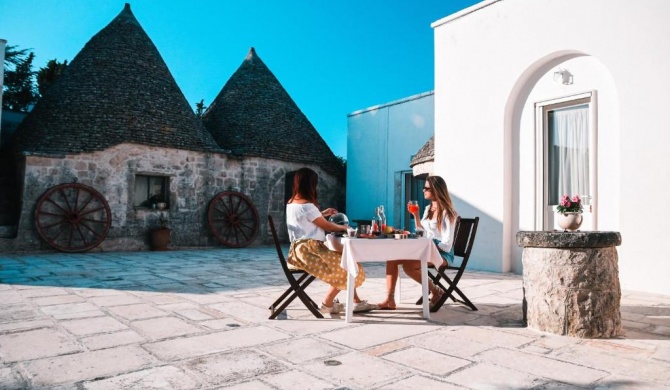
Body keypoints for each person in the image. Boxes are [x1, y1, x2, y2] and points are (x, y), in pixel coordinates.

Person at [286, 167, 377, 314]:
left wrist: (323, 213)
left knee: (347, 260)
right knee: (348, 266)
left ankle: (356, 301)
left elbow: (306, 220)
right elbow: (326, 225)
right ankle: (327, 304)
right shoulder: (308, 206)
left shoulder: (292, 203)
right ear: (310, 185)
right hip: (310, 251)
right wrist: (344, 227)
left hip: (298, 251)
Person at [377, 175, 457, 310]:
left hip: (442, 254)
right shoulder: (427, 209)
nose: (423, 191)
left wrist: (428, 246)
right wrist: (416, 216)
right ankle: (389, 300)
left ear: (436, 190)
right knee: (392, 258)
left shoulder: (448, 213)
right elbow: (423, 233)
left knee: (409, 267)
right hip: (426, 249)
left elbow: (447, 245)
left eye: (426, 188)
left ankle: (436, 291)